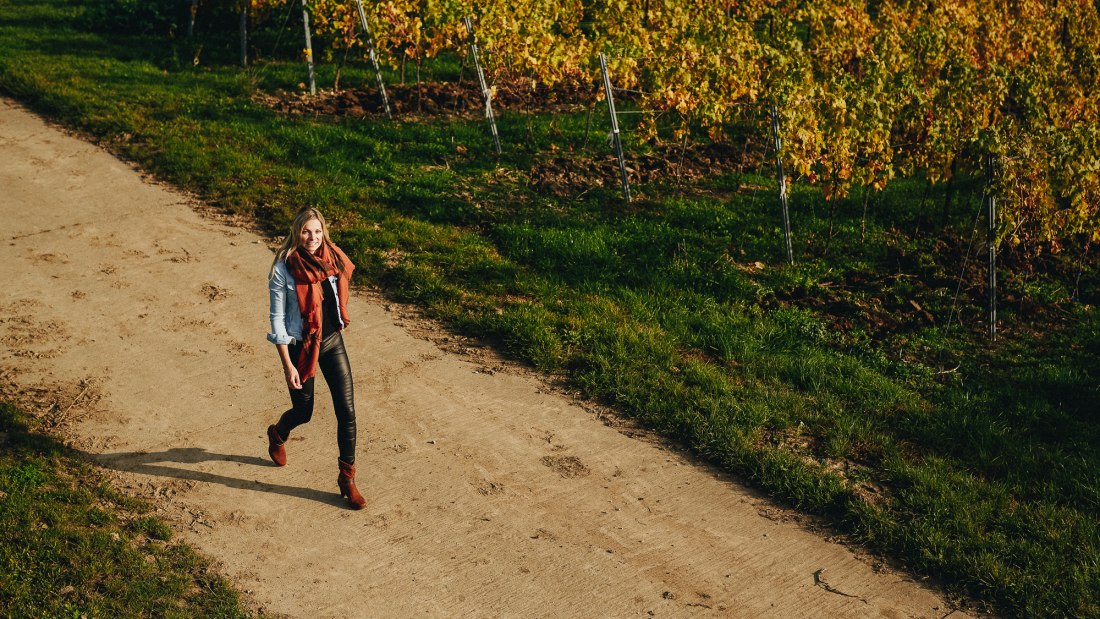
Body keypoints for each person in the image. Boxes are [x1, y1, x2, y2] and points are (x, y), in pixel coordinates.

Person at [265, 207, 365, 509]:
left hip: (332, 340)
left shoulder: (332, 257)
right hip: (301, 346)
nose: (313, 238)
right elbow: (277, 320)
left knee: (346, 410)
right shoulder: (284, 269)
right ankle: (278, 432)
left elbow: (338, 289)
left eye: (318, 231)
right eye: (307, 232)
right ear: (297, 232)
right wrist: (287, 366)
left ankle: (346, 479)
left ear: (325, 233)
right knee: (304, 411)